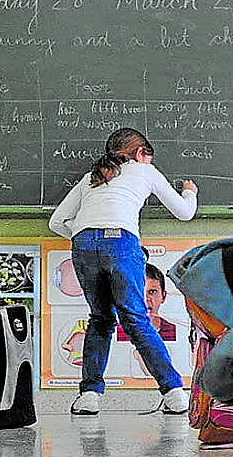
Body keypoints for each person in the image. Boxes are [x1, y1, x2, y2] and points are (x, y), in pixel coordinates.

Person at [48, 127, 197, 416]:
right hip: (122, 242)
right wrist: (189, 193)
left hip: (83, 244)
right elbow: (184, 212)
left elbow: (57, 221)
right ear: (141, 153)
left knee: (100, 319)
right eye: (149, 158)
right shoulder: (146, 172)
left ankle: (89, 396)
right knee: (137, 320)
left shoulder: (91, 178)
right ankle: (174, 393)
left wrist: (86, 239)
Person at [116, 262, 177, 342]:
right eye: (138, 292)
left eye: (152, 292)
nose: (145, 299)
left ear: (163, 296)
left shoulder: (173, 331)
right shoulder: (117, 333)